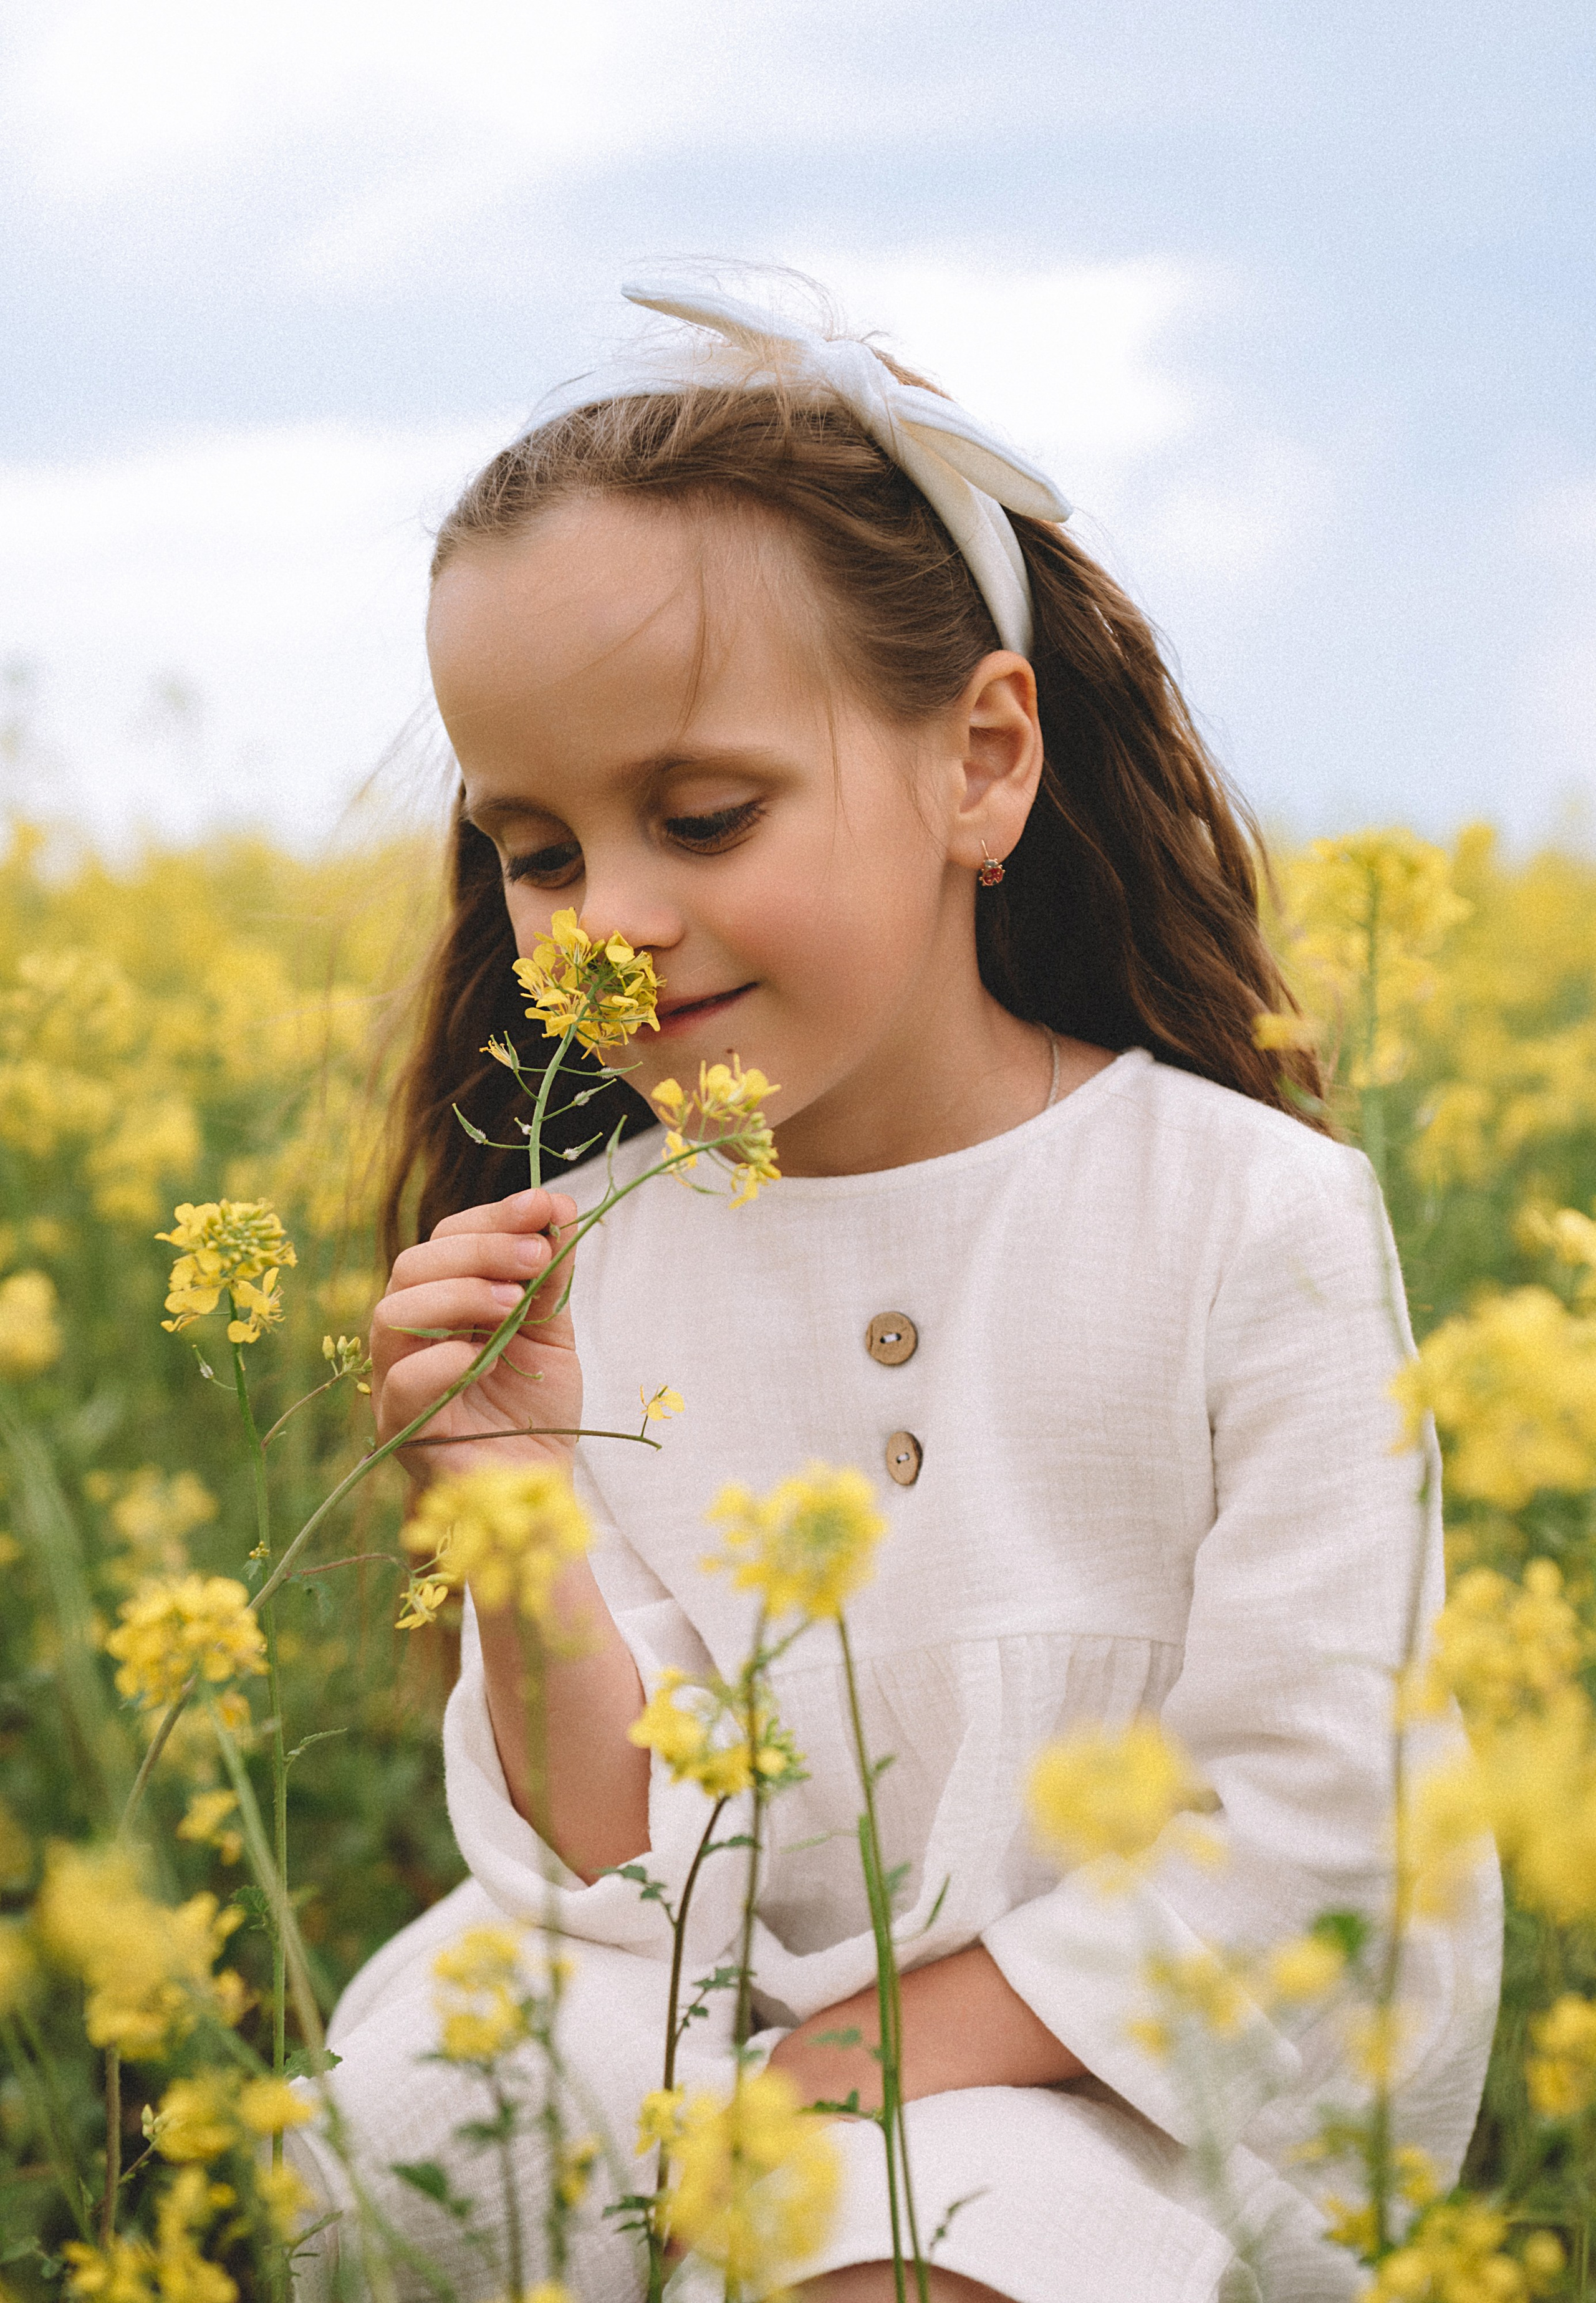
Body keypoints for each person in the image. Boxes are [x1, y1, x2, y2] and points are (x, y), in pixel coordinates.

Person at [289, 279, 1499, 2303]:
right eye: (537, 851)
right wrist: (509, 1525)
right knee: (396, 2156)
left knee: (903, 2241)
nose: (612, 930)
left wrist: (864, 2061)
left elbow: (1314, 1823)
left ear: (983, 766)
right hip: (702, 2020)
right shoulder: (582, 1261)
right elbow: (621, 1875)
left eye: (700, 818)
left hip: (1142, 2063)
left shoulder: (1249, 1216)